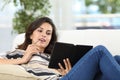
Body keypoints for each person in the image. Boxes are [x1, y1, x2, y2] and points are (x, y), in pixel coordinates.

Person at [0, 17, 120, 80]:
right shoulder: (17, 53)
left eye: (48, 33)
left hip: (69, 77)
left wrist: (66, 73)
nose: (44, 35)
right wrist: (23, 59)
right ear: (31, 34)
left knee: (116, 59)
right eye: (40, 31)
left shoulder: (54, 56)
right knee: (100, 51)